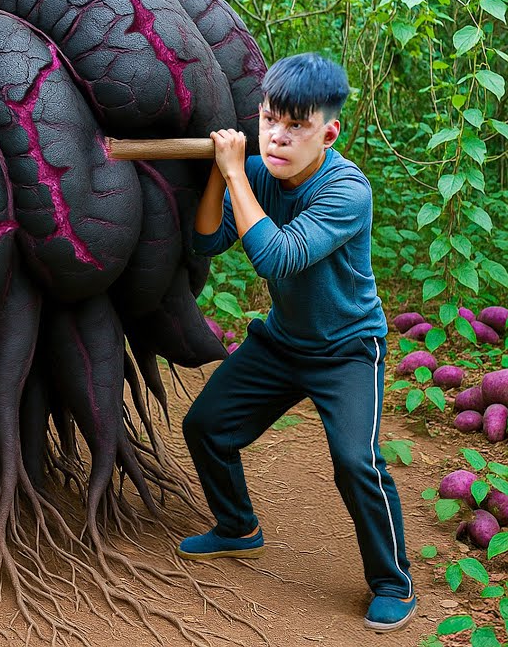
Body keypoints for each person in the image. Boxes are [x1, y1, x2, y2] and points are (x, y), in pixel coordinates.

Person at [177, 53, 415, 632]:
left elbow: (278, 256)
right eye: (268, 121)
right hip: (283, 343)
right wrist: (219, 170)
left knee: (356, 461)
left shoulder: (346, 191)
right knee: (205, 426)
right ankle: (237, 527)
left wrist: (237, 172)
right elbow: (208, 241)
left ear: (328, 132)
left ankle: (393, 582)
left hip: (347, 350)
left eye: (296, 126)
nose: (277, 138)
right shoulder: (259, 172)